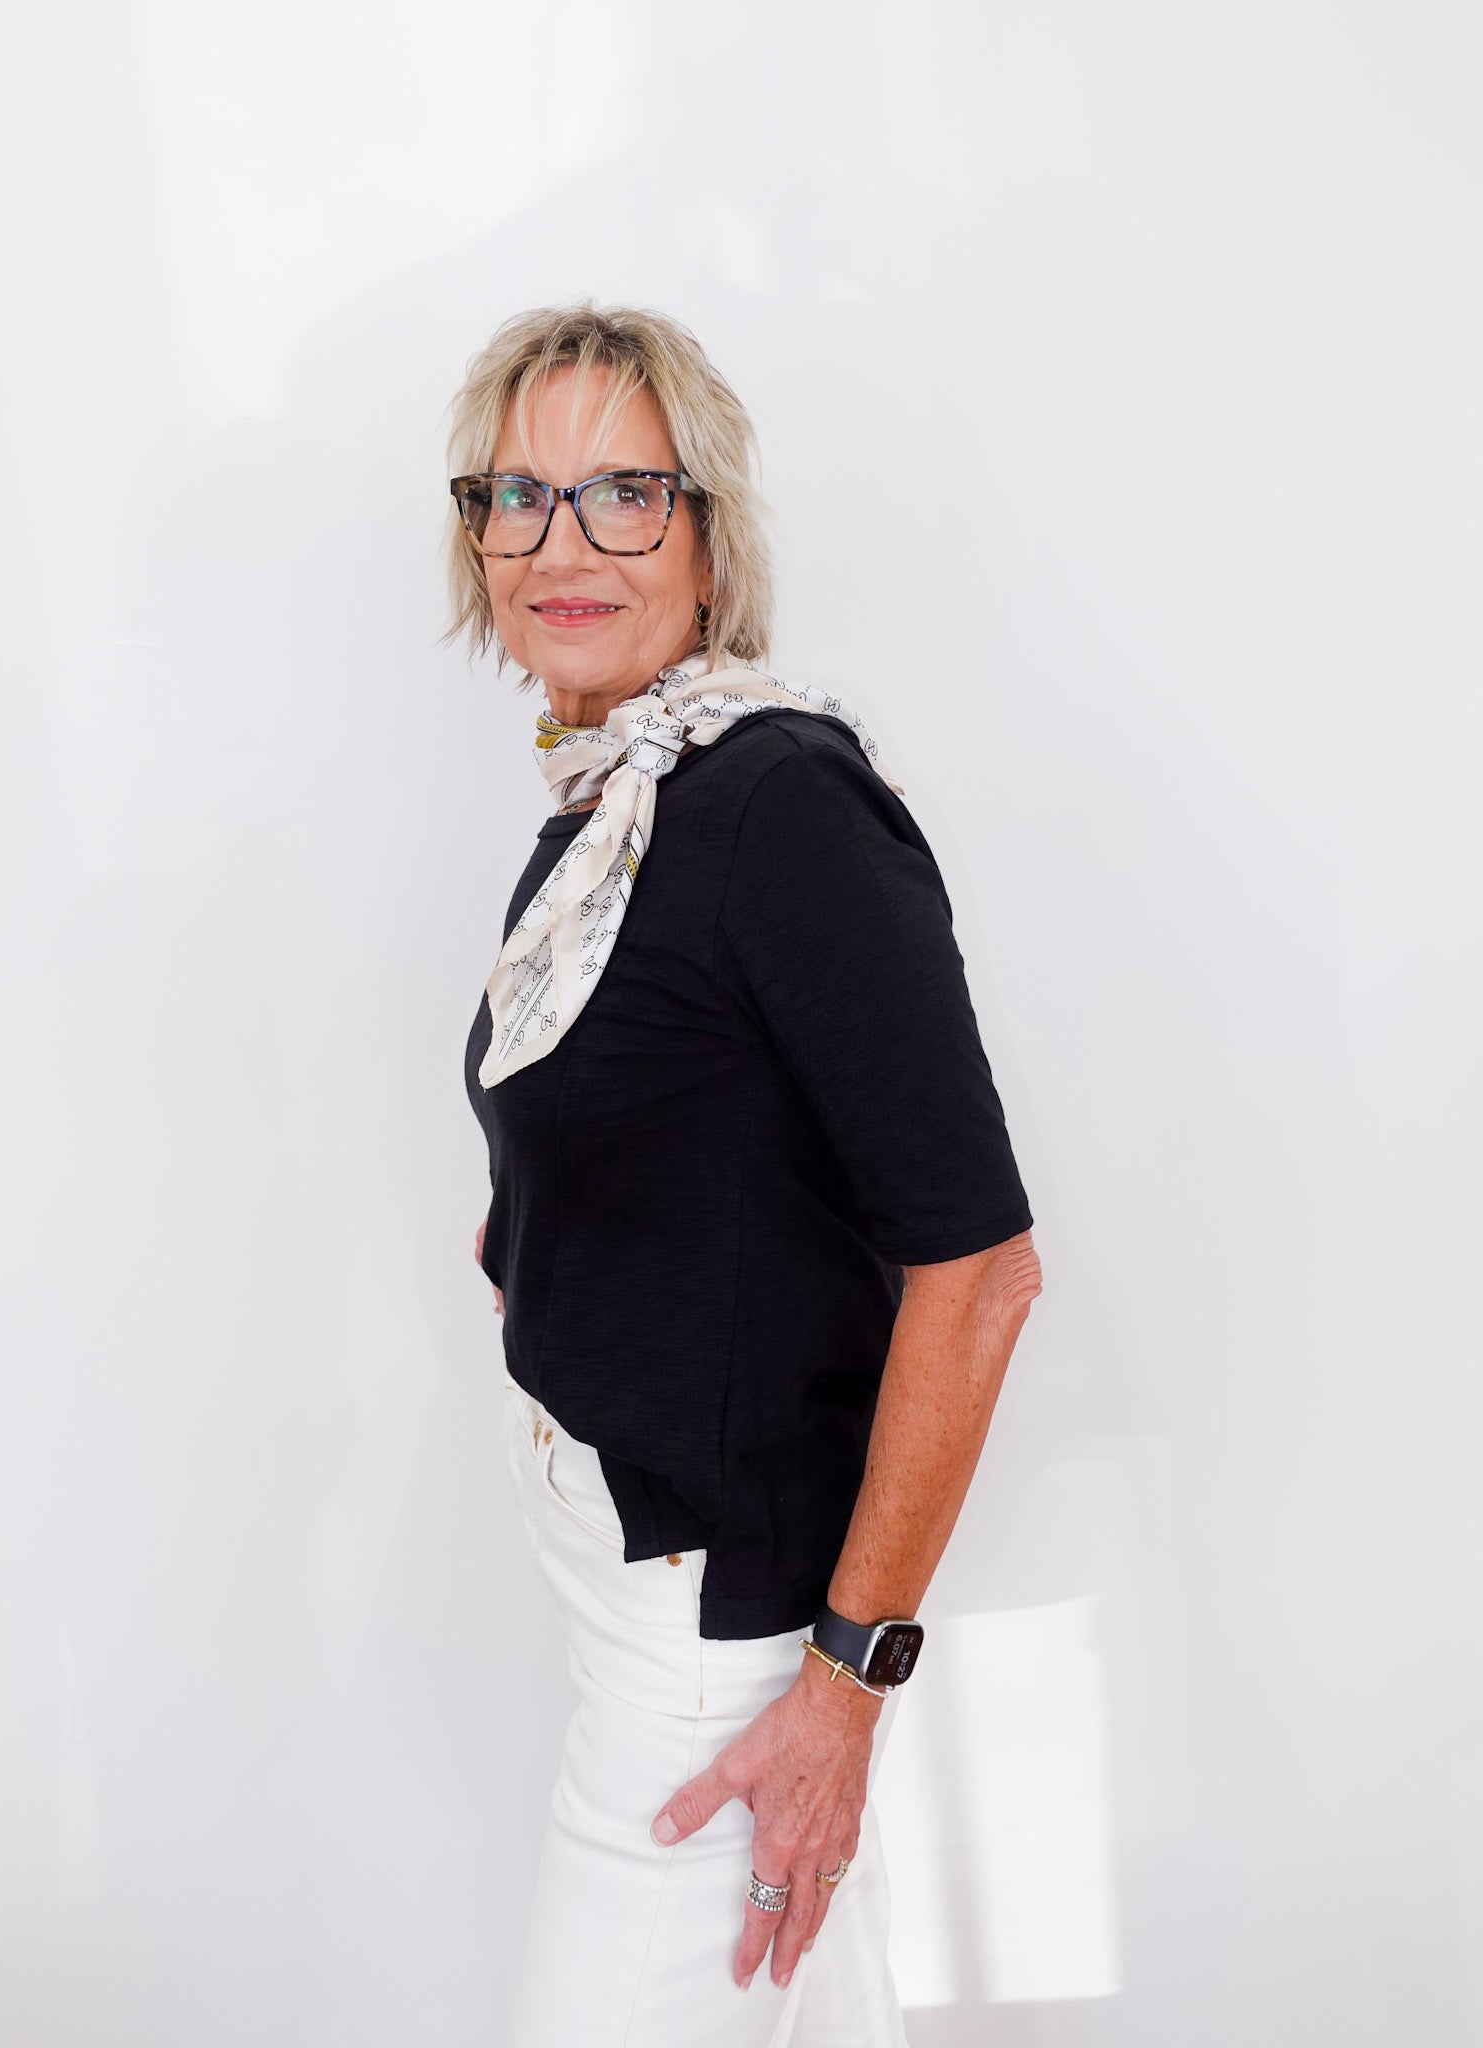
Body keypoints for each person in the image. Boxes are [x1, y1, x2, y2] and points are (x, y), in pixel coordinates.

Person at [450, 301, 1042, 2048]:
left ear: (709, 537)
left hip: (712, 1645)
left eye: (625, 495)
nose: (565, 546)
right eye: (518, 497)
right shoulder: (617, 796)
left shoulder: (774, 806)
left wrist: (844, 1690)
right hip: (620, 1567)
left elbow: (981, 1269)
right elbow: (663, 1100)